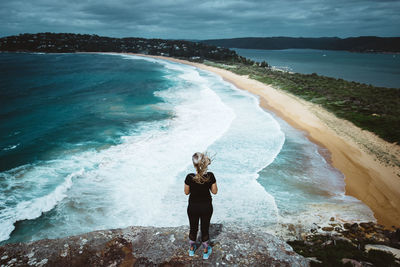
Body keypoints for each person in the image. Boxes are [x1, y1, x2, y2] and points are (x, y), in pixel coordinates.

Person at [184, 152, 218, 259]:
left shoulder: (190, 177)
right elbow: (214, 191)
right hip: (206, 207)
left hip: (193, 207)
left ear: (194, 164)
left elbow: (186, 192)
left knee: (193, 228)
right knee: (205, 228)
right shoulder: (210, 176)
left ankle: (191, 250)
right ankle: (205, 251)